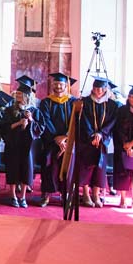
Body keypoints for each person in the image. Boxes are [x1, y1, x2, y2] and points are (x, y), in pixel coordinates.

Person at [75, 76, 119, 208]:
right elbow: (84, 120)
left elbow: (112, 122)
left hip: (102, 141)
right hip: (87, 141)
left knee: (100, 169)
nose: (98, 90)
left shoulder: (112, 105)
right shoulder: (86, 102)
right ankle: (86, 194)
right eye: (95, 87)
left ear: (106, 89)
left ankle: (96, 194)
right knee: (86, 167)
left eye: (100, 88)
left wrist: (101, 134)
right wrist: (91, 136)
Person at [36, 73, 74, 207]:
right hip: (50, 142)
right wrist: (56, 139)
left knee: (67, 167)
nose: (58, 86)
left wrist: (66, 138)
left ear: (66, 86)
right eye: (56, 84)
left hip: (68, 143)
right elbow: (45, 120)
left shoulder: (72, 102)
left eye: (61, 84)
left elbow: (75, 122)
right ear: (52, 85)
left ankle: (65, 195)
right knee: (49, 166)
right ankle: (46, 194)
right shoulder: (46, 102)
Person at [0, 85, 41, 207]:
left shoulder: (34, 111)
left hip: (28, 146)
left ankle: (23, 197)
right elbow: (4, 128)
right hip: (13, 144)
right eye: (17, 94)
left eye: (20, 94)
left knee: (26, 170)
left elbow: (40, 129)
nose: (18, 96)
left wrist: (31, 120)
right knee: (13, 169)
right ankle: (13, 196)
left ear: (27, 96)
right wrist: (19, 123)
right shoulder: (9, 110)